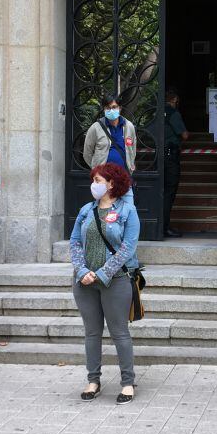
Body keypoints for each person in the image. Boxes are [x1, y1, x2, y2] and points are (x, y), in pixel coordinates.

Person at [69, 162, 140, 404]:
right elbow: (75, 242)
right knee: (91, 333)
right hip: (84, 282)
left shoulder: (128, 212)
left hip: (116, 280)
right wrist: (81, 270)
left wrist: (102, 273)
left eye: (98, 181)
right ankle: (93, 380)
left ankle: (128, 382)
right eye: (94, 180)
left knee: (119, 332)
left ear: (112, 184)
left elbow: (127, 248)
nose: (94, 185)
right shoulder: (86, 210)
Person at [163, 88, 189, 238]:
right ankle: (164, 228)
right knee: (169, 193)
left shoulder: (156, 112)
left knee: (162, 192)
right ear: (174, 100)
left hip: (158, 157)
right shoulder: (173, 113)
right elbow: (184, 134)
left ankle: (160, 225)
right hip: (170, 157)